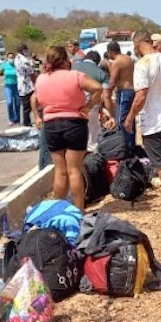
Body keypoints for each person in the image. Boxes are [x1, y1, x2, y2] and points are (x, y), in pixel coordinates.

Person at [33, 46, 103, 210]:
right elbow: (98, 88)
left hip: (51, 124)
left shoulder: (41, 79)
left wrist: (37, 115)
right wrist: (88, 106)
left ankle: (58, 208)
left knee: (60, 171)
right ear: (65, 60)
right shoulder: (75, 76)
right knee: (74, 170)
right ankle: (79, 209)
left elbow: (35, 99)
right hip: (74, 123)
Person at [124, 31, 161, 212]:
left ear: (137, 44)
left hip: (153, 117)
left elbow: (141, 96)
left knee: (160, 160)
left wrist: (130, 117)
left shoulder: (142, 64)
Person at [72, 51, 114, 153]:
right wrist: (111, 114)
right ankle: (90, 155)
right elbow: (105, 95)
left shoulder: (73, 68)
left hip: (72, 103)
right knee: (92, 133)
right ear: (97, 62)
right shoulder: (100, 73)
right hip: (90, 105)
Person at [107, 41, 136, 154]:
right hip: (131, 90)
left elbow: (112, 81)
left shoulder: (117, 62)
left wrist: (107, 94)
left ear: (110, 52)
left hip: (124, 92)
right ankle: (131, 147)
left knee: (121, 121)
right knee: (130, 120)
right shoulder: (128, 59)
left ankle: (125, 149)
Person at [15, 44, 36, 127]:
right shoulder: (24, 60)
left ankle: (27, 122)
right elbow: (31, 72)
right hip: (26, 85)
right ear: (23, 50)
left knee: (26, 106)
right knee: (27, 106)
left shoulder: (17, 58)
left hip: (22, 84)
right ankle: (27, 124)